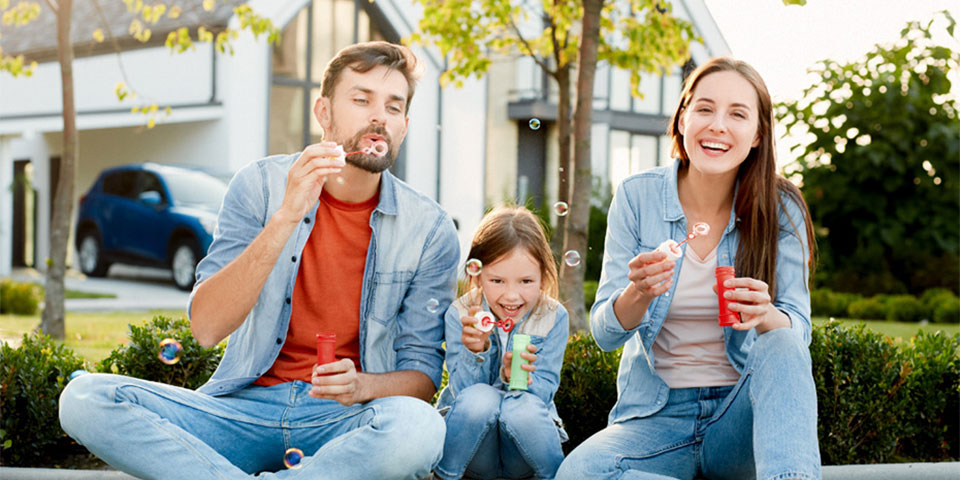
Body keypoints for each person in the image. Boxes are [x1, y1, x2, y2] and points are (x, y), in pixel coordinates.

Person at [59, 41, 460, 479]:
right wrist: (288, 214)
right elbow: (207, 327)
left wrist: (361, 386)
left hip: (345, 422)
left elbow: (421, 380)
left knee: (420, 429)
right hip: (239, 413)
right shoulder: (259, 187)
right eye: (361, 99)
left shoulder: (431, 229)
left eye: (394, 107)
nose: (378, 116)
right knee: (83, 398)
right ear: (323, 112)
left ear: (404, 127)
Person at [557, 57, 820, 480]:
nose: (717, 124)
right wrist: (637, 293)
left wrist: (767, 315)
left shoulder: (780, 208)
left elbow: (799, 334)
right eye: (704, 108)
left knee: (784, 341)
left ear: (757, 135)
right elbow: (605, 333)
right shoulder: (636, 197)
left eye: (737, 114)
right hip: (656, 419)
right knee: (579, 474)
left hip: (743, 413)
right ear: (682, 119)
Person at [434, 206, 570, 480]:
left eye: (526, 281)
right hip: (473, 451)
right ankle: (443, 476)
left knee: (522, 408)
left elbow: (543, 394)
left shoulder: (553, 317)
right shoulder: (462, 314)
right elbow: (462, 395)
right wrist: (476, 352)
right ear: (477, 276)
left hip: (522, 453)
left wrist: (517, 379)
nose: (511, 295)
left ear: (543, 277)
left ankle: (560, 476)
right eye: (497, 280)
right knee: (479, 398)